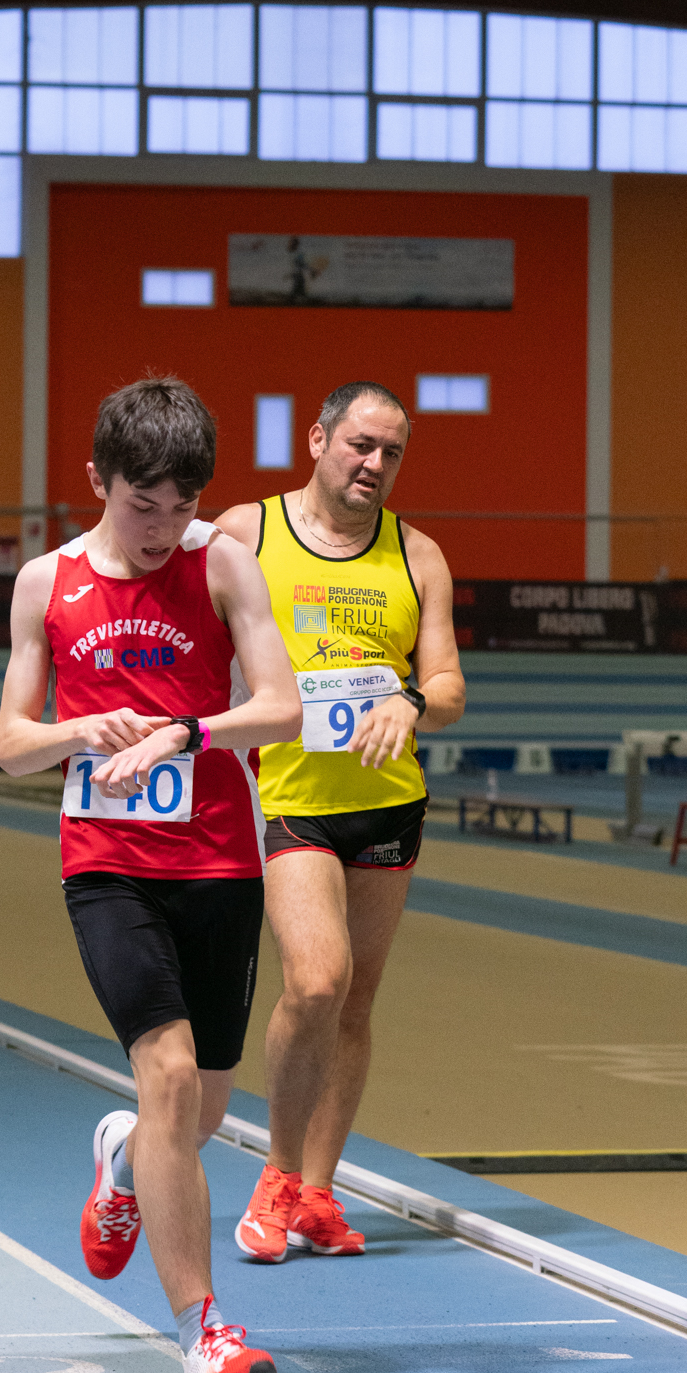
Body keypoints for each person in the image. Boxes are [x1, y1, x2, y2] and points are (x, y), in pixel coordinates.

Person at [0, 376, 302, 1373]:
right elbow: (11, 744)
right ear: (97, 480)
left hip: (220, 862)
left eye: (182, 505)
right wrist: (81, 729)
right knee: (166, 1079)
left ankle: (120, 1160)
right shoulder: (46, 582)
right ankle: (202, 1331)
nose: (163, 526)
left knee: (197, 1109)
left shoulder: (224, 566)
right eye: (142, 504)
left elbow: (282, 707)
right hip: (108, 865)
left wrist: (185, 732)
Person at [215, 381, 466, 1262]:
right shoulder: (246, 533)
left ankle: (319, 1194)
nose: (374, 464)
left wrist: (410, 699)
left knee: (355, 1002)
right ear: (319, 439)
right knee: (317, 982)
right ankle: (277, 1176)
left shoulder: (418, 555)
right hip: (288, 798)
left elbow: (449, 685)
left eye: (391, 452)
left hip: (388, 803)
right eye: (361, 444)